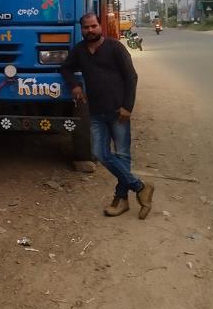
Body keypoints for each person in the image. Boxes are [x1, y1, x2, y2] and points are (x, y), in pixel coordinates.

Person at [60, 12, 154, 219]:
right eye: (86, 27)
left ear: (100, 26)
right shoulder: (80, 51)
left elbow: (132, 77)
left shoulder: (115, 48)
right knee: (100, 153)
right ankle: (140, 187)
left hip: (118, 111)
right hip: (95, 112)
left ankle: (120, 200)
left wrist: (128, 106)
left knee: (122, 155)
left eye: (93, 26)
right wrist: (74, 85)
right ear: (81, 29)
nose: (90, 30)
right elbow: (65, 68)